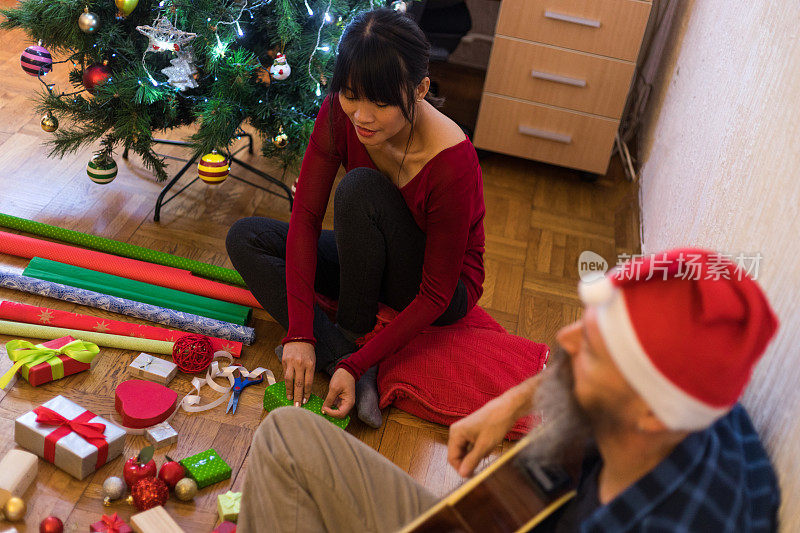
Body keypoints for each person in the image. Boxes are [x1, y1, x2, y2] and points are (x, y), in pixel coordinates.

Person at [237, 248, 780, 532]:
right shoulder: (698, 396)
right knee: (288, 435)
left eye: (596, 347)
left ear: (650, 414)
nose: (564, 339)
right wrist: (510, 401)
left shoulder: (676, 520)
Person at [226, 8, 485, 428]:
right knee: (246, 236)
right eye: (350, 94)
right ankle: (346, 362)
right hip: (370, 254)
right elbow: (306, 219)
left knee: (358, 189)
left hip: (439, 288)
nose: (361, 115)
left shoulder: (452, 161)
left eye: (380, 102)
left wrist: (356, 350)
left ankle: (351, 346)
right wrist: (299, 334)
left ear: (420, 89)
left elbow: (437, 294)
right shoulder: (337, 113)